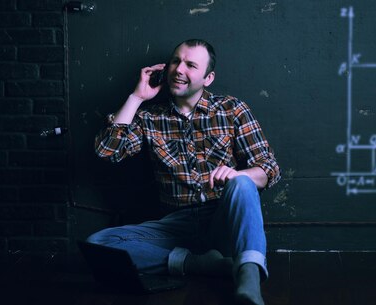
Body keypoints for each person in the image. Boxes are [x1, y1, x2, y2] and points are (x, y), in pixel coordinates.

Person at [88, 39, 280, 305]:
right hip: (176, 225)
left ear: (208, 77)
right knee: (98, 242)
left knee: (244, 184)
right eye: (176, 61)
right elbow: (107, 151)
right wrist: (136, 97)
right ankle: (201, 264)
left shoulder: (232, 109)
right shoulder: (149, 117)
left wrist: (238, 176)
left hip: (222, 219)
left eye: (190, 65)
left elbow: (268, 169)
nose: (179, 69)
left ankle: (249, 280)